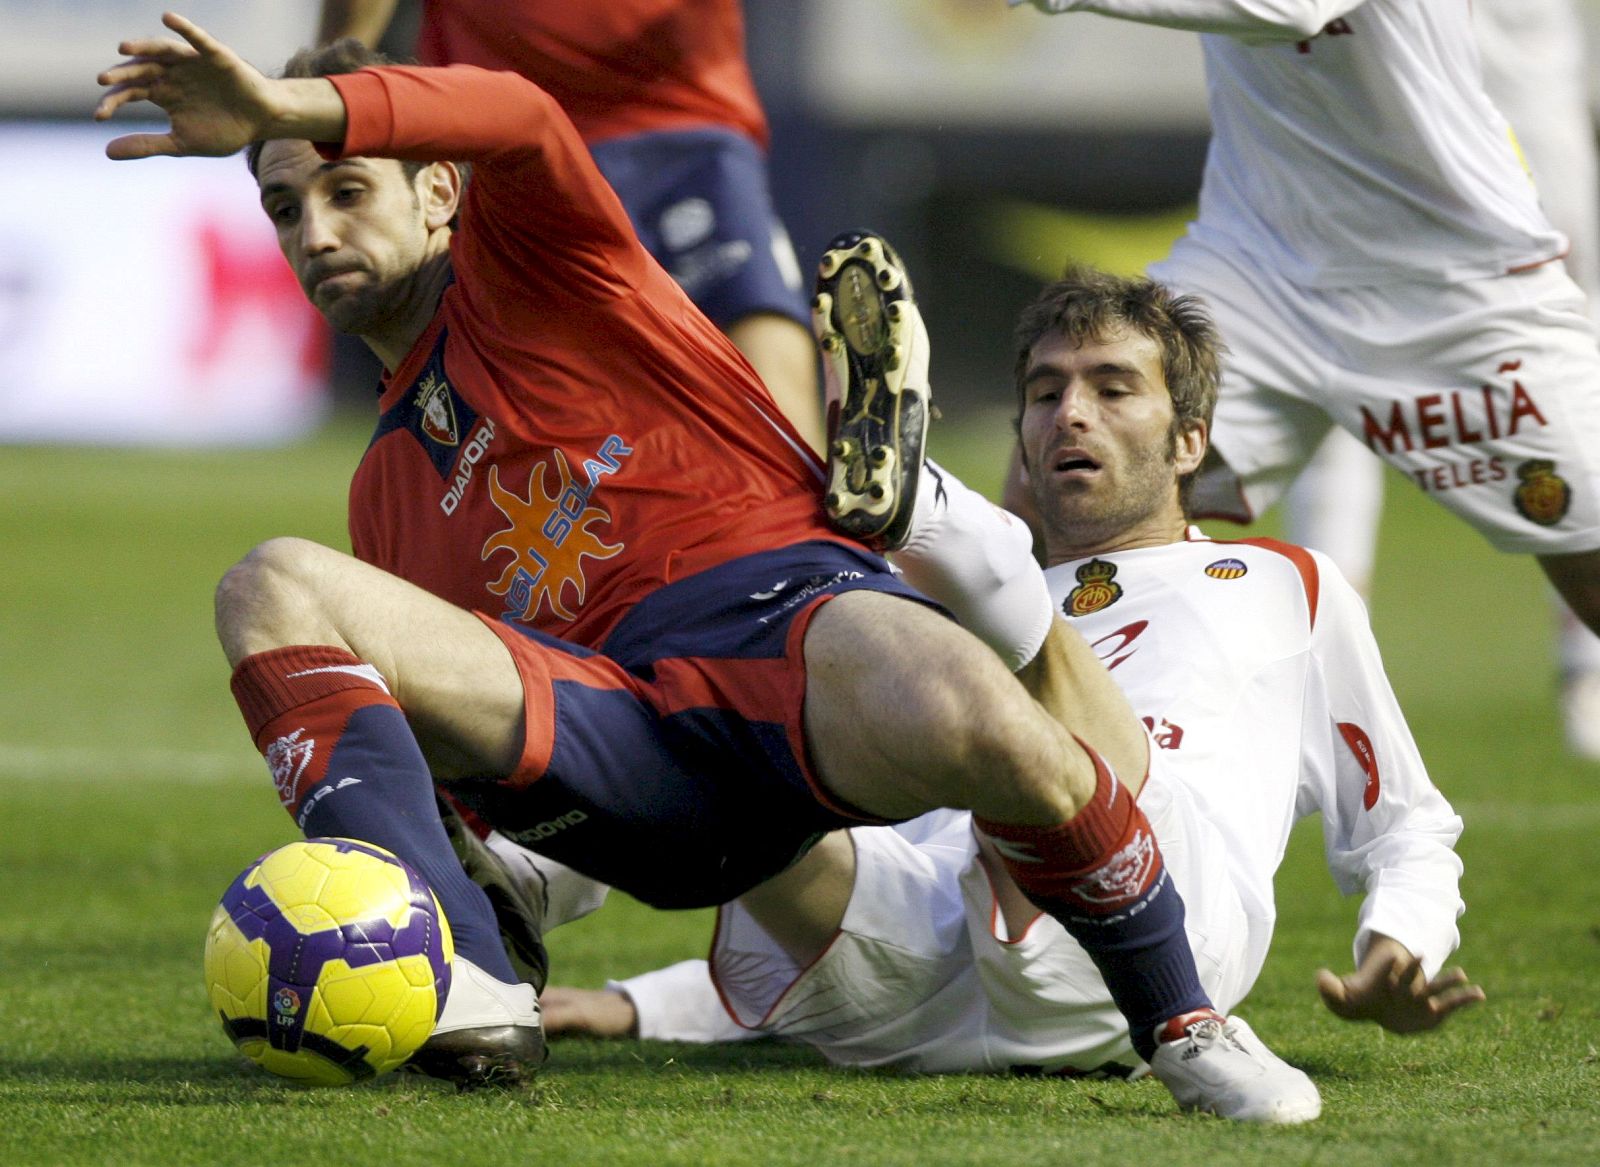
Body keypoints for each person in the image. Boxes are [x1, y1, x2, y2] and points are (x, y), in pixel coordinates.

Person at [91, 15, 1306, 1117]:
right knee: (272, 583)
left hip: (782, 627)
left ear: (442, 196)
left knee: (976, 710)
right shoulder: (387, 493)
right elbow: (472, 705)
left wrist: (290, 107)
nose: (316, 232)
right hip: (625, 749)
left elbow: (521, 113)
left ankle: (1185, 1026)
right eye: (285, 210)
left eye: (347, 189)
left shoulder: (545, 264)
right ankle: (463, 969)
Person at [534, 265, 1483, 1103]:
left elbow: (1405, 823)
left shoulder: (1285, 583)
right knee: (746, 742)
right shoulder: (935, 624)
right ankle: (521, 861)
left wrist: (1401, 938)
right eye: (1046, 392)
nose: (1071, 413)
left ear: (1191, 440)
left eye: (1114, 389)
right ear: (1025, 433)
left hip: (1170, 918)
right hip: (918, 985)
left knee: (997, 688)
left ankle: (920, 508)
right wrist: (635, 1004)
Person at [1002, 2, 1600, 679]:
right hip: (1259, 262)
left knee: (1591, 566)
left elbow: (1295, 7)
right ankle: (1018, 766)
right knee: (1044, 499)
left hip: (1451, 276)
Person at [1280, 0, 1600, 759]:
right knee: (1329, 371)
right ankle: (1331, 666)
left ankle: (1587, 665)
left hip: (1523, 131)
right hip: (1392, 135)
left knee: (1565, 391)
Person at [314, 0, 824, 452]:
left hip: (674, 117)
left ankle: (834, 533)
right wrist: (329, 79)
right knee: (536, 407)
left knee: (753, 331)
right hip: (505, 148)